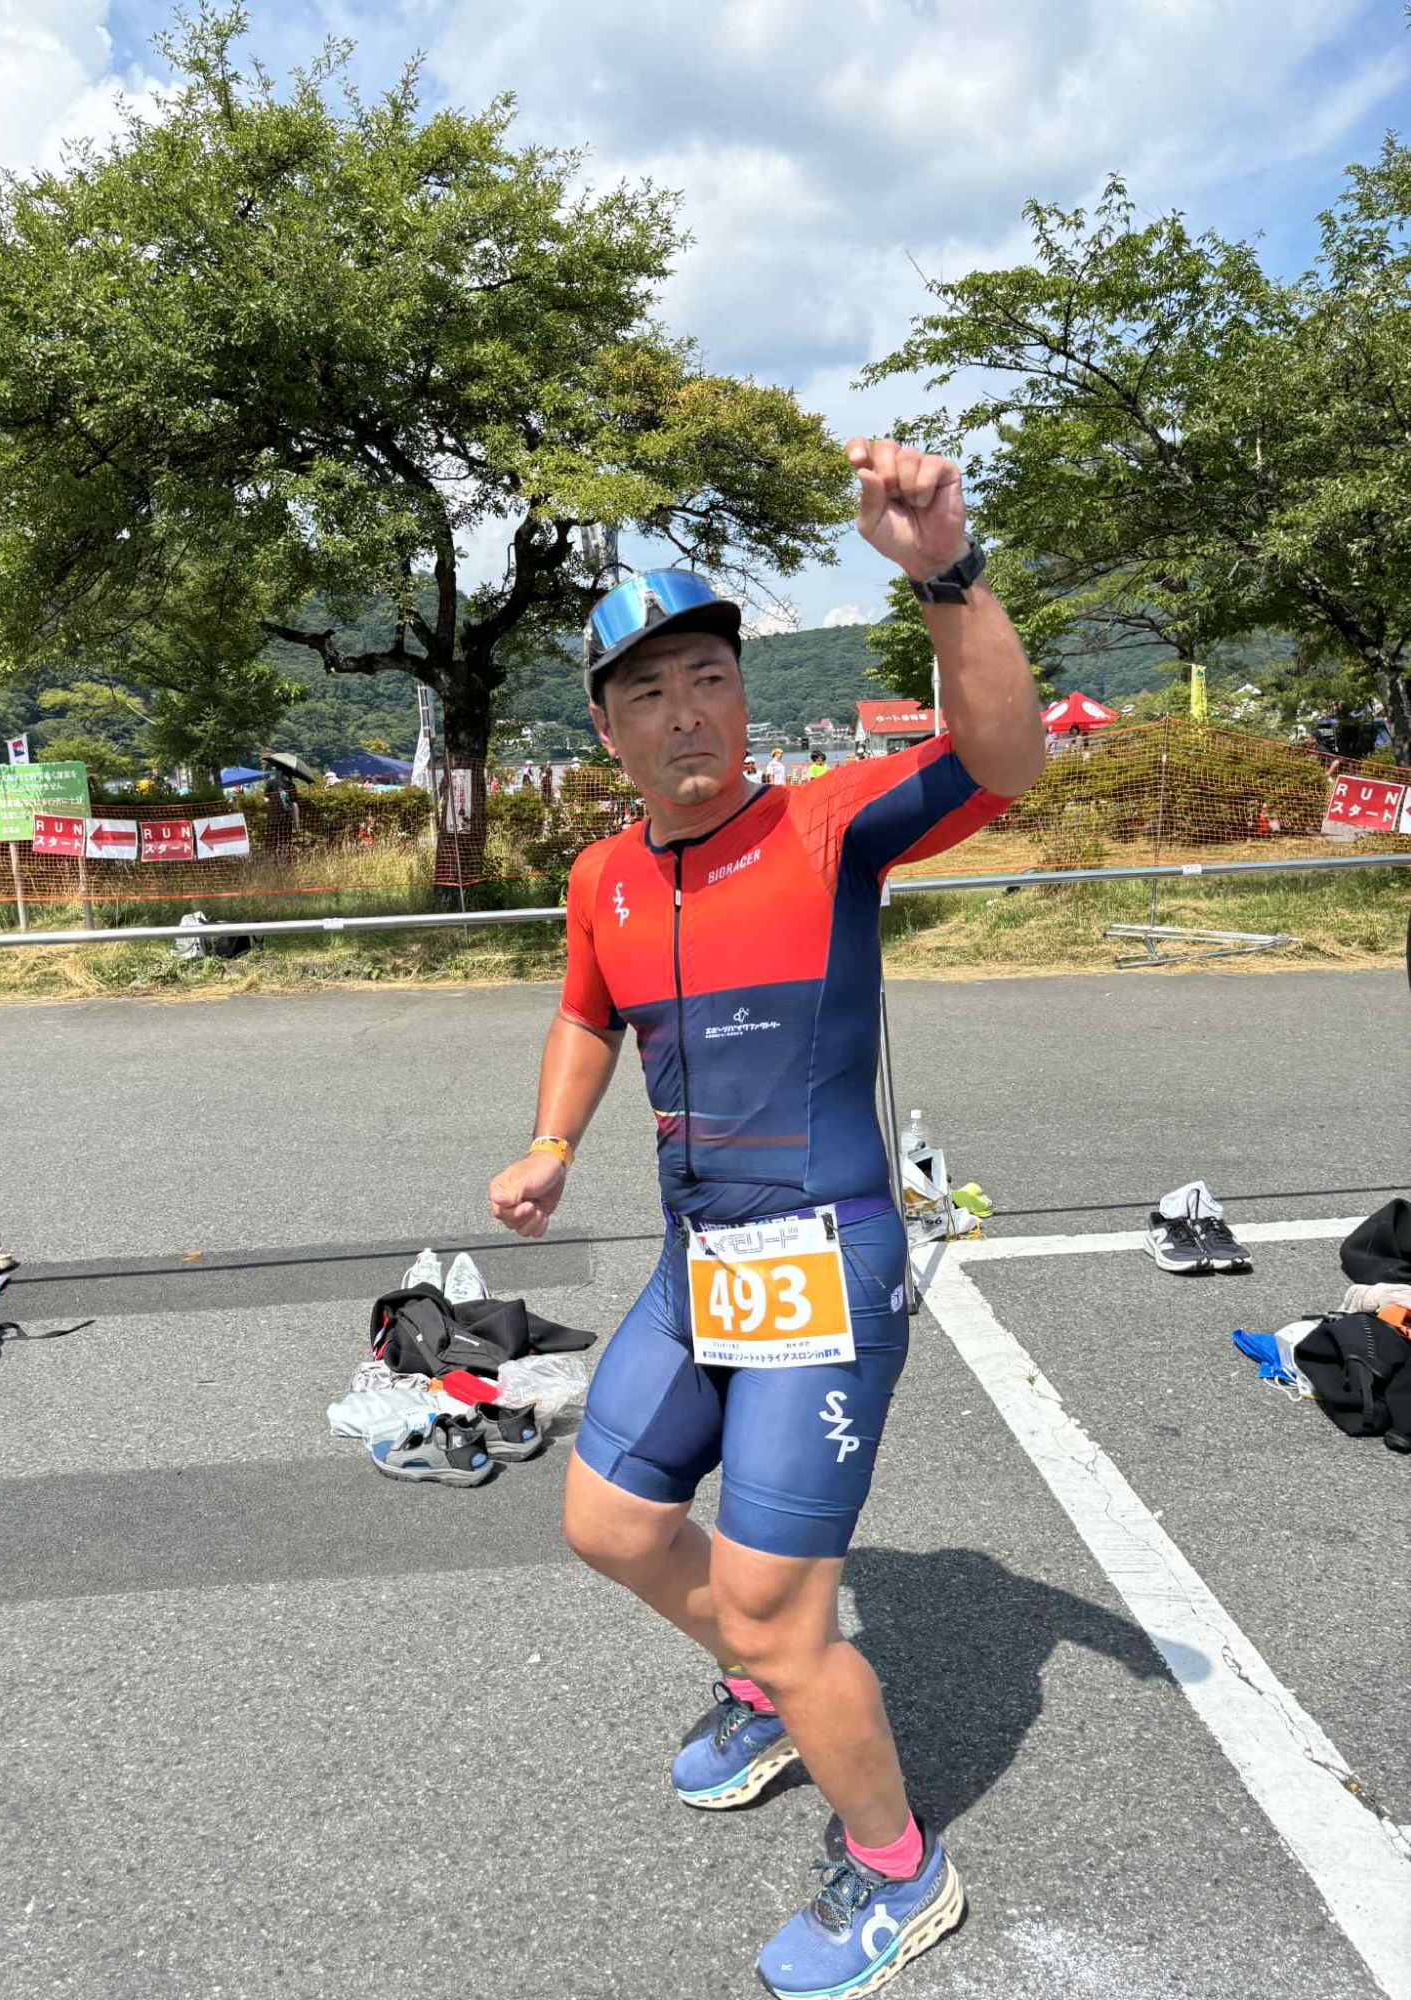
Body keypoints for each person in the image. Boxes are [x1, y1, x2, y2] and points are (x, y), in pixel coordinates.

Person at [487, 439, 1045, 2000]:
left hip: (825, 1259)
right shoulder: (603, 876)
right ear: (607, 726)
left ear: (742, 695)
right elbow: (587, 1011)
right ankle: (766, 1686)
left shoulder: (825, 826)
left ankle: (897, 1868)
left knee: (772, 1600)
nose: (687, 711)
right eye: (650, 691)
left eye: (711, 678)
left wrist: (947, 574)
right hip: (702, 1263)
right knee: (609, 1523)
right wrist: (549, 1141)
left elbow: (1004, 758)